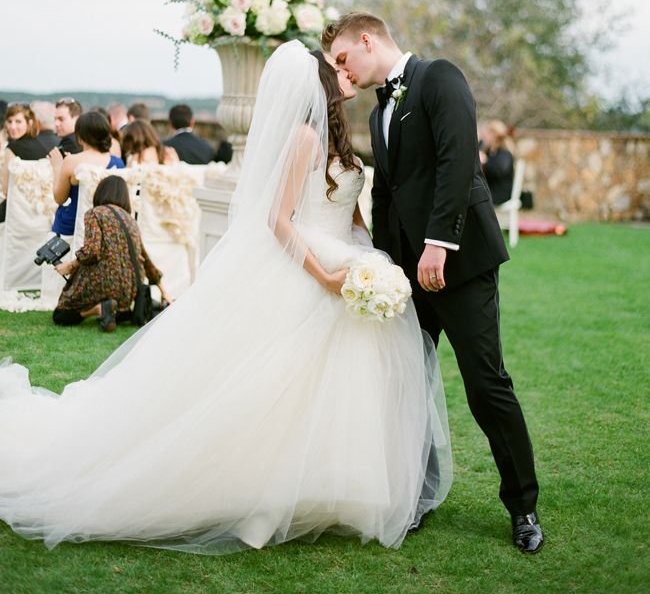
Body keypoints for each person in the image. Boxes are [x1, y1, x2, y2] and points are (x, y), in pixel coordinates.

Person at [0, 41, 451, 555]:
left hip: (346, 258)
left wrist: (369, 262)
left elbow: (349, 212)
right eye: (337, 68)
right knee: (278, 383)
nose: (346, 72)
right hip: (307, 264)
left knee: (342, 378)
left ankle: (327, 485)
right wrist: (325, 276)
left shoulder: (340, 137)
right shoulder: (303, 137)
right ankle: (265, 493)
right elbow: (278, 221)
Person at [323, 13, 543, 554]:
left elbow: (458, 160)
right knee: (407, 385)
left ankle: (523, 507)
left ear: (367, 40)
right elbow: (387, 194)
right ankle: (415, 498)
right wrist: (380, 261)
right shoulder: (378, 115)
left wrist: (439, 244)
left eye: (344, 59)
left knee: (485, 385)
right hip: (406, 277)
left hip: (461, 266)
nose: (341, 74)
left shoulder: (440, 77)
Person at [52, 176, 170, 331]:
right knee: (120, 310)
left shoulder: (95, 213)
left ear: (100, 192)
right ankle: (116, 310)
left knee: (60, 315)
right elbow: (145, 259)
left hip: (102, 280)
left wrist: (70, 265)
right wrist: (164, 292)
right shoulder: (130, 220)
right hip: (129, 288)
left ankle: (97, 309)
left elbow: (92, 251)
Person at [49, 112, 125, 239]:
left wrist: (58, 167)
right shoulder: (118, 163)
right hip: (105, 227)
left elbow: (59, 198)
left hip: (72, 228)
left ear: (80, 136)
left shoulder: (71, 162)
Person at [0, 103, 48, 223]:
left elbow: (6, 190)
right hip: (40, 212)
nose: (13, 126)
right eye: (10, 121)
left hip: (17, 211)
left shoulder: (11, 149)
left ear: (29, 123)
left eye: (18, 121)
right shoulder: (41, 146)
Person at [479, 120, 515, 206]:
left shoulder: (505, 153)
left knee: (475, 197)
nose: (484, 136)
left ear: (494, 135)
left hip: (500, 192)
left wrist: (485, 161)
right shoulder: (488, 150)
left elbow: (498, 171)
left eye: (487, 134)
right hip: (489, 188)